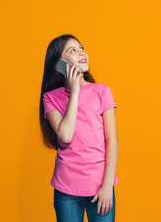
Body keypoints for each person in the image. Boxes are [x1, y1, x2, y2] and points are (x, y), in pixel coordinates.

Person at [39, 34, 119, 222]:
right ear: (59, 64)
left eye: (81, 48)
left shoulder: (102, 91)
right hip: (66, 191)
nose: (82, 53)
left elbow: (112, 141)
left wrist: (107, 186)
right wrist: (74, 92)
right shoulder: (50, 98)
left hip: (101, 186)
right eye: (72, 50)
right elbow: (65, 136)